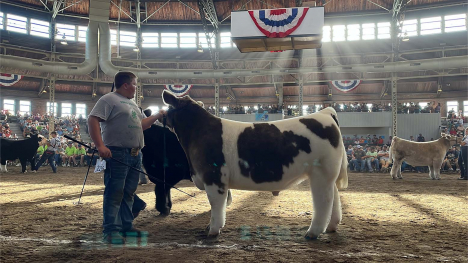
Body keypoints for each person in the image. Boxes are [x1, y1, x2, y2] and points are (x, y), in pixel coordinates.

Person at [88, 71, 166, 244]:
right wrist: (100, 146)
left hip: (135, 153)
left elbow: (142, 125)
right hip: (116, 152)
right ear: (126, 84)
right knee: (114, 192)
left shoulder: (132, 104)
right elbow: (92, 119)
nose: (136, 88)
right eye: (135, 84)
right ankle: (110, 230)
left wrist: (157, 116)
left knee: (129, 192)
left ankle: (126, 225)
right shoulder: (109, 99)